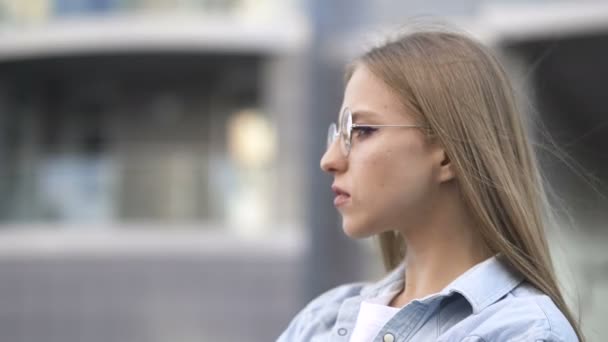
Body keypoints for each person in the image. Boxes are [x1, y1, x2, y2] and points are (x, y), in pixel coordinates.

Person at [277, 27, 583, 342]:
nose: (329, 159)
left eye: (362, 129)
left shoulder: (523, 332)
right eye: (337, 133)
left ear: (449, 154)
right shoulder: (320, 320)